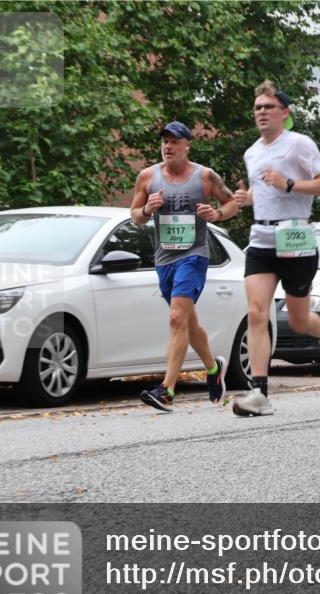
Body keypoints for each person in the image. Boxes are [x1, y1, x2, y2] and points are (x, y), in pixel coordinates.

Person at [230, 81, 320, 416]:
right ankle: (259, 393)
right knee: (256, 312)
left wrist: (289, 183)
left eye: (268, 107)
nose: (261, 113)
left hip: (296, 238)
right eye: (257, 108)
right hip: (261, 240)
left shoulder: (299, 145)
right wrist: (245, 199)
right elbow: (262, 193)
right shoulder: (251, 152)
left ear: (284, 113)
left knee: (297, 321)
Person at [130, 121, 239, 411]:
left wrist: (216, 214)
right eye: (164, 141)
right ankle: (214, 368)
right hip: (164, 260)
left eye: (174, 141)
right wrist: (146, 209)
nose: (168, 146)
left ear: (187, 145)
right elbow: (135, 217)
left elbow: (232, 204)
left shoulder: (205, 176)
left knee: (177, 317)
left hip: (194, 256)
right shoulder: (147, 177)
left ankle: (166, 390)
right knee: (187, 322)